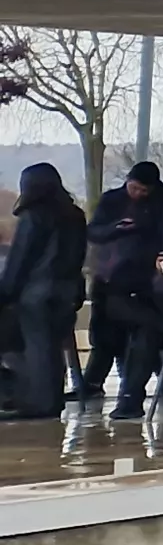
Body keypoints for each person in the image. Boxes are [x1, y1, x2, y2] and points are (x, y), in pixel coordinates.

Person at [1, 162, 85, 419]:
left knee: (35, 346)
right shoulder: (75, 215)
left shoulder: (34, 216)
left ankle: (34, 400)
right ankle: (44, 399)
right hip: (67, 294)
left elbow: (20, 261)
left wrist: (5, 293)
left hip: (37, 294)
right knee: (48, 348)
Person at [81, 161, 163, 418]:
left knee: (140, 331)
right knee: (106, 332)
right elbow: (94, 231)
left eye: (143, 190)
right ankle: (95, 383)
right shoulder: (112, 200)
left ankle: (115, 389)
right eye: (134, 188)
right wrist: (115, 228)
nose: (137, 194)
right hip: (111, 275)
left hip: (142, 277)